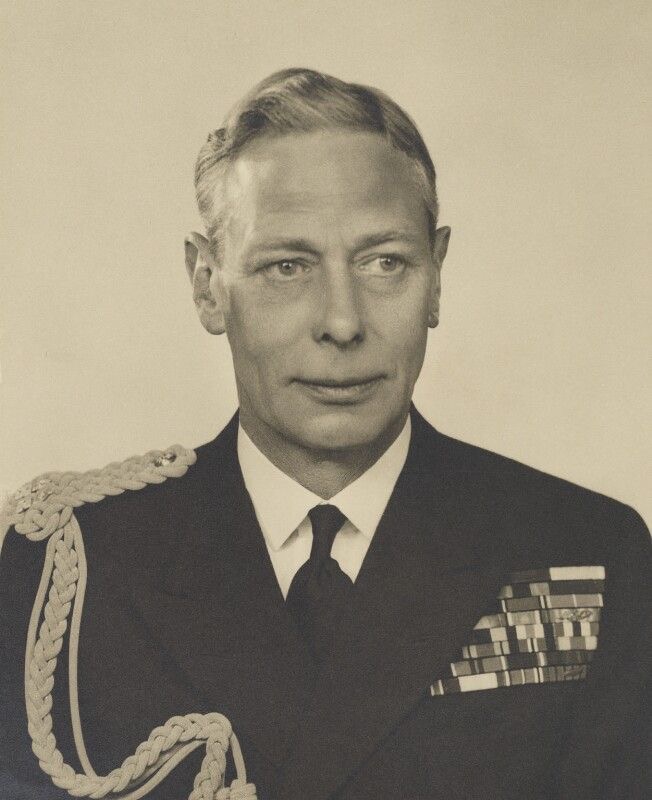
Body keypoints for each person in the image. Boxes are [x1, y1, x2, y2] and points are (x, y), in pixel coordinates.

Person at [1, 68, 649, 800]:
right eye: (287, 267)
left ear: (436, 277)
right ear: (207, 285)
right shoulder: (74, 567)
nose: (342, 322)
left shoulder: (584, 552)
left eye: (385, 263)